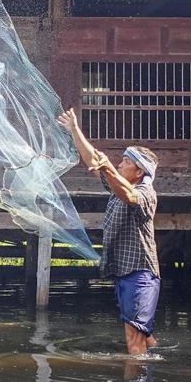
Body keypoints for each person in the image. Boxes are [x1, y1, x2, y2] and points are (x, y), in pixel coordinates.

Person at [57, 109, 160, 355]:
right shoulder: (117, 184)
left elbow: (130, 196)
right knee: (142, 336)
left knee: (133, 339)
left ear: (139, 172)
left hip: (140, 273)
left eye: (126, 162)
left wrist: (108, 169)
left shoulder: (146, 193)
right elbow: (94, 159)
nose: (119, 164)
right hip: (124, 273)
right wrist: (75, 129)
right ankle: (161, 371)